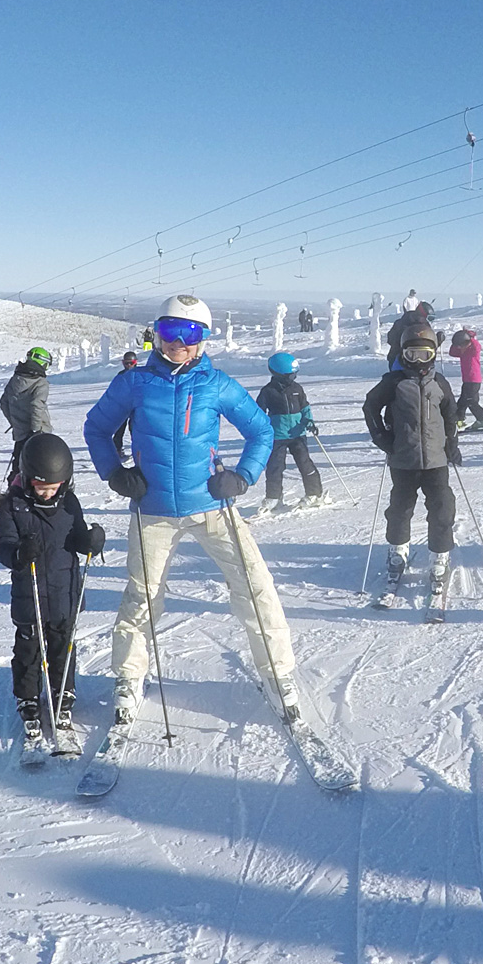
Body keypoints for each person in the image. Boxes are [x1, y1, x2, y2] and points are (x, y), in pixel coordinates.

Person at [83, 294, 302, 724]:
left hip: (212, 506)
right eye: (169, 331)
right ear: (156, 334)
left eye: (190, 333)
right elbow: (96, 428)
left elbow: (262, 431)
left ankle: (278, 673)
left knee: (255, 586)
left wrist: (243, 477)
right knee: (142, 597)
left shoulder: (216, 384)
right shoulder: (134, 382)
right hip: (153, 509)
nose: (178, 342)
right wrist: (114, 472)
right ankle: (129, 677)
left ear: (203, 339)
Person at [0, 433, 106, 743]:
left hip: (64, 592)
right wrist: (19, 553)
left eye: (53, 487)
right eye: (41, 487)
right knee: (28, 650)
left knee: (62, 647)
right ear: (28, 478)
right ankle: (27, 696)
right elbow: (2, 546)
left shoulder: (69, 503)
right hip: (29, 594)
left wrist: (90, 543)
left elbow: (78, 538)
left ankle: (62, 692)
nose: (47, 493)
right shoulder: (14, 506)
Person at [362, 323, 460, 594]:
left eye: (425, 354)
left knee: (442, 507)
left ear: (434, 354)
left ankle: (439, 555)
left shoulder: (439, 382)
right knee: (400, 508)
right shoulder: (393, 382)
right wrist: (381, 437)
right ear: (403, 354)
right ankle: (398, 550)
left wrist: (452, 443)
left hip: (436, 460)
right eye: (412, 354)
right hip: (403, 459)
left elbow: (451, 414)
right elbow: (370, 407)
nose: (419, 361)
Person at [255, 352, 325, 515]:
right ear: (278, 374)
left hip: (297, 434)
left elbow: (305, 407)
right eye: (290, 375)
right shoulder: (268, 391)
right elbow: (258, 413)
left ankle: (314, 494)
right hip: (278, 435)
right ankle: (274, 497)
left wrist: (309, 421)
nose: (294, 378)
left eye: (294, 374)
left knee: (305, 464)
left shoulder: (297, 389)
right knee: (274, 467)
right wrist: (260, 429)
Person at [0, 346, 53, 480]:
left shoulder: (15, 379)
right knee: (40, 467)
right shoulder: (40, 383)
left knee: (18, 465)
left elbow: (4, 402)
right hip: (38, 433)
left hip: (20, 432)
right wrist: (36, 430)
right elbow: (36, 405)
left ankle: (14, 489)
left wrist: (15, 422)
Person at [447, 329, 483, 430]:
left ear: (467, 343)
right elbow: (452, 352)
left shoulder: (473, 351)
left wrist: (470, 337)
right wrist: (455, 343)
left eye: (461, 345)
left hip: (474, 380)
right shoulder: (462, 351)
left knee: (471, 402)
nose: (459, 348)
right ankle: (459, 422)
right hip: (466, 380)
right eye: (458, 346)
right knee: (462, 402)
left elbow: (477, 346)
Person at [386, 299, 432, 370]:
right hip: (407, 359)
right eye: (429, 318)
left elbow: (390, 339)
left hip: (411, 359)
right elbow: (391, 338)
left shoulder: (400, 322)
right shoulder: (423, 326)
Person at [110, 351, 139, 462]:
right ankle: (117, 450)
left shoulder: (139, 374)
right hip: (123, 405)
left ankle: (138, 451)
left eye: (131, 363)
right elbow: (114, 390)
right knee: (119, 428)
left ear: (135, 362)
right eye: (126, 363)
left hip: (135, 406)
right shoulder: (121, 375)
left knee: (135, 429)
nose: (128, 366)